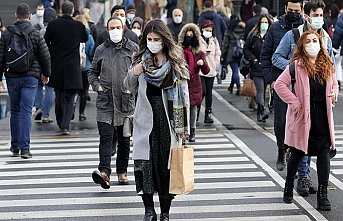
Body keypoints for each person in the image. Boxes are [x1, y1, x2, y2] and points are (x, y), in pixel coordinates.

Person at [124, 19, 189, 221]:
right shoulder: (141, 61)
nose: (152, 42)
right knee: (144, 164)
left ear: (165, 40)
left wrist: (184, 128)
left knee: (165, 167)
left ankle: (165, 213)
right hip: (145, 120)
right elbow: (128, 86)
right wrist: (134, 72)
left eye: (156, 39)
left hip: (168, 122)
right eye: (149, 39)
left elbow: (184, 95)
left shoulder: (175, 63)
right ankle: (148, 210)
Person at [272, 0, 334, 197]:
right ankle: (300, 178)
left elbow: (331, 73)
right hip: (300, 101)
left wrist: (333, 91)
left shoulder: (326, 39)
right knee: (300, 148)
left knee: (322, 149)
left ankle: (322, 193)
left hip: (321, 107)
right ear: (306, 15)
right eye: (315, 15)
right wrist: (296, 70)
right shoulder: (294, 36)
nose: (319, 19)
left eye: (321, 15)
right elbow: (276, 58)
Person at [89, 16, 138, 188]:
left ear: (123, 27)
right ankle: (104, 172)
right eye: (112, 28)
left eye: (118, 27)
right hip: (105, 103)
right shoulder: (101, 49)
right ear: (107, 30)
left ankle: (122, 172)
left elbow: (140, 74)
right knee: (106, 138)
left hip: (126, 103)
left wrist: (133, 89)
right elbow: (92, 73)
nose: (115, 30)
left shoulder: (133, 49)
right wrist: (98, 87)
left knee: (124, 139)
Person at [0, 3, 51, 158]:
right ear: (30, 16)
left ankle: (14, 146)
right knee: (26, 111)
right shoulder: (35, 33)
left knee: (14, 110)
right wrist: (46, 73)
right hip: (30, 76)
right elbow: (45, 55)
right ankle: (25, 149)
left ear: (16, 16)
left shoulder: (7, 33)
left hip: (12, 76)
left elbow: (1, 56)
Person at [260, 0, 304, 173]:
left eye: (297, 10)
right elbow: (266, 55)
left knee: (300, 120)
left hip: (301, 84)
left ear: (301, 10)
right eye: (290, 10)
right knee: (280, 122)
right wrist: (271, 80)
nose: (293, 13)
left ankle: (296, 156)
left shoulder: (304, 30)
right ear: (285, 9)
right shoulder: (275, 28)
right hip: (280, 82)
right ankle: (281, 149)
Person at [44, 1, 88, 135]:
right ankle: (65, 125)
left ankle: (59, 120)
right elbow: (85, 38)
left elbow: (46, 42)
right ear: (72, 11)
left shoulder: (53, 25)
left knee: (59, 94)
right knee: (70, 97)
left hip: (56, 65)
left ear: (61, 11)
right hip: (72, 66)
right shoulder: (78, 26)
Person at [178, 23, 210, 142]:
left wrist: (203, 63)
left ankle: (192, 130)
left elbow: (206, 71)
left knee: (193, 109)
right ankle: (184, 131)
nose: (189, 38)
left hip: (195, 83)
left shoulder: (200, 53)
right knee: (182, 108)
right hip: (182, 82)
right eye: (187, 35)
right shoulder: (180, 52)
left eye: (192, 35)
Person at [243, 14, 273, 122]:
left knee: (265, 90)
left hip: (267, 66)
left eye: (266, 22)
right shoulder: (254, 35)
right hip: (256, 66)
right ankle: (262, 110)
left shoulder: (270, 35)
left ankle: (261, 111)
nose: (264, 24)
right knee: (260, 89)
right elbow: (246, 49)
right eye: (262, 22)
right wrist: (253, 59)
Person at [33, 7, 58, 123]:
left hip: (37, 62)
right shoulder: (54, 30)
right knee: (49, 88)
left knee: (38, 85)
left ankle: (39, 107)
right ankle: (46, 115)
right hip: (50, 62)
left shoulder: (37, 28)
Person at [198, 20, 221, 124]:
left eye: (210, 30)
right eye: (207, 30)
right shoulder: (198, 40)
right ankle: (197, 109)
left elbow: (218, 53)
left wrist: (216, 64)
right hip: (200, 70)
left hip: (211, 69)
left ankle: (208, 113)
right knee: (202, 91)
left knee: (209, 93)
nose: (208, 32)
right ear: (202, 29)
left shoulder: (214, 40)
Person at [74, 15, 94, 121]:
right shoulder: (89, 37)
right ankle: (81, 113)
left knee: (73, 91)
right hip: (86, 67)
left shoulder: (71, 35)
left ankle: (71, 109)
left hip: (74, 67)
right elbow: (92, 51)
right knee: (84, 91)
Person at [222, 15, 245, 95]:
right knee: (235, 71)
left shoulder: (229, 31)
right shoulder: (243, 29)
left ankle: (239, 87)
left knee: (235, 71)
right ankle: (231, 86)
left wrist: (223, 54)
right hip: (241, 51)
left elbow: (225, 44)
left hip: (231, 52)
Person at [332, 5, 343, 91]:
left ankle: (339, 79)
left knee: (337, 62)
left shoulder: (341, 19)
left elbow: (338, 34)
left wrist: (335, 46)